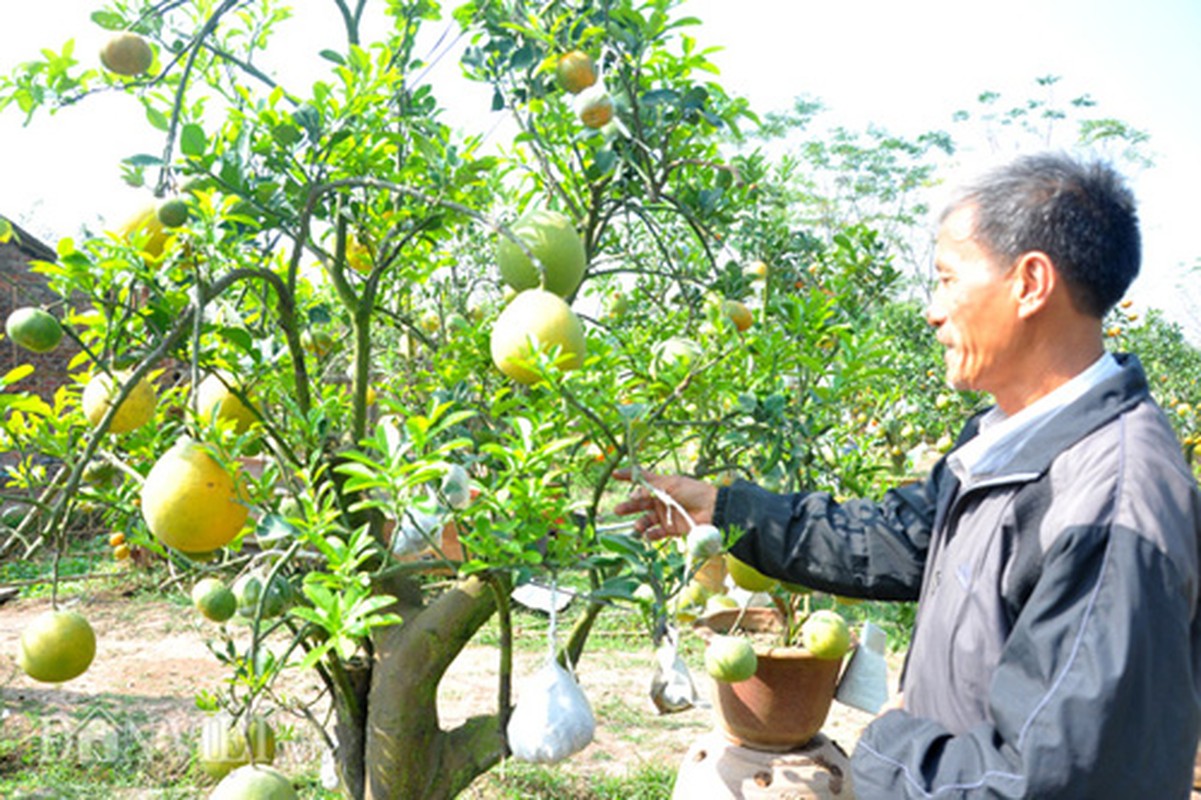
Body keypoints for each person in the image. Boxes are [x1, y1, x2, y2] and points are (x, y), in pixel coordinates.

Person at [615, 152, 1201, 798]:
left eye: (947, 280)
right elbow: (897, 537)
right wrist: (725, 513)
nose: (932, 310)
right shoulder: (1001, 441)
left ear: (1030, 283)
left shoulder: (1110, 503)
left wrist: (891, 750)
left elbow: (1052, 776)